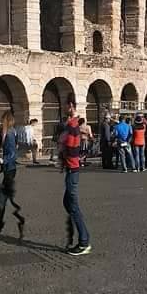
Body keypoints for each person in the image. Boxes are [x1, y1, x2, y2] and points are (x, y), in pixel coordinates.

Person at [58, 109, 91, 255]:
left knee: (73, 206)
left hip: (73, 173)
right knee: (67, 203)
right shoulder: (72, 130)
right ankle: (78, 230)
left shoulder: (74, 131)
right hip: (71, 172)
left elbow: (71, 151)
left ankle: (84, 242)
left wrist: (73, 117)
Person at [0, 111, 25, 239]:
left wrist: (4, 160)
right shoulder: (8, 133)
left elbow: (13, 153)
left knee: (4, 196)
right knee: (4, 195)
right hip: (8, 168)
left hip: (10, 168)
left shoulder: (11, 134)